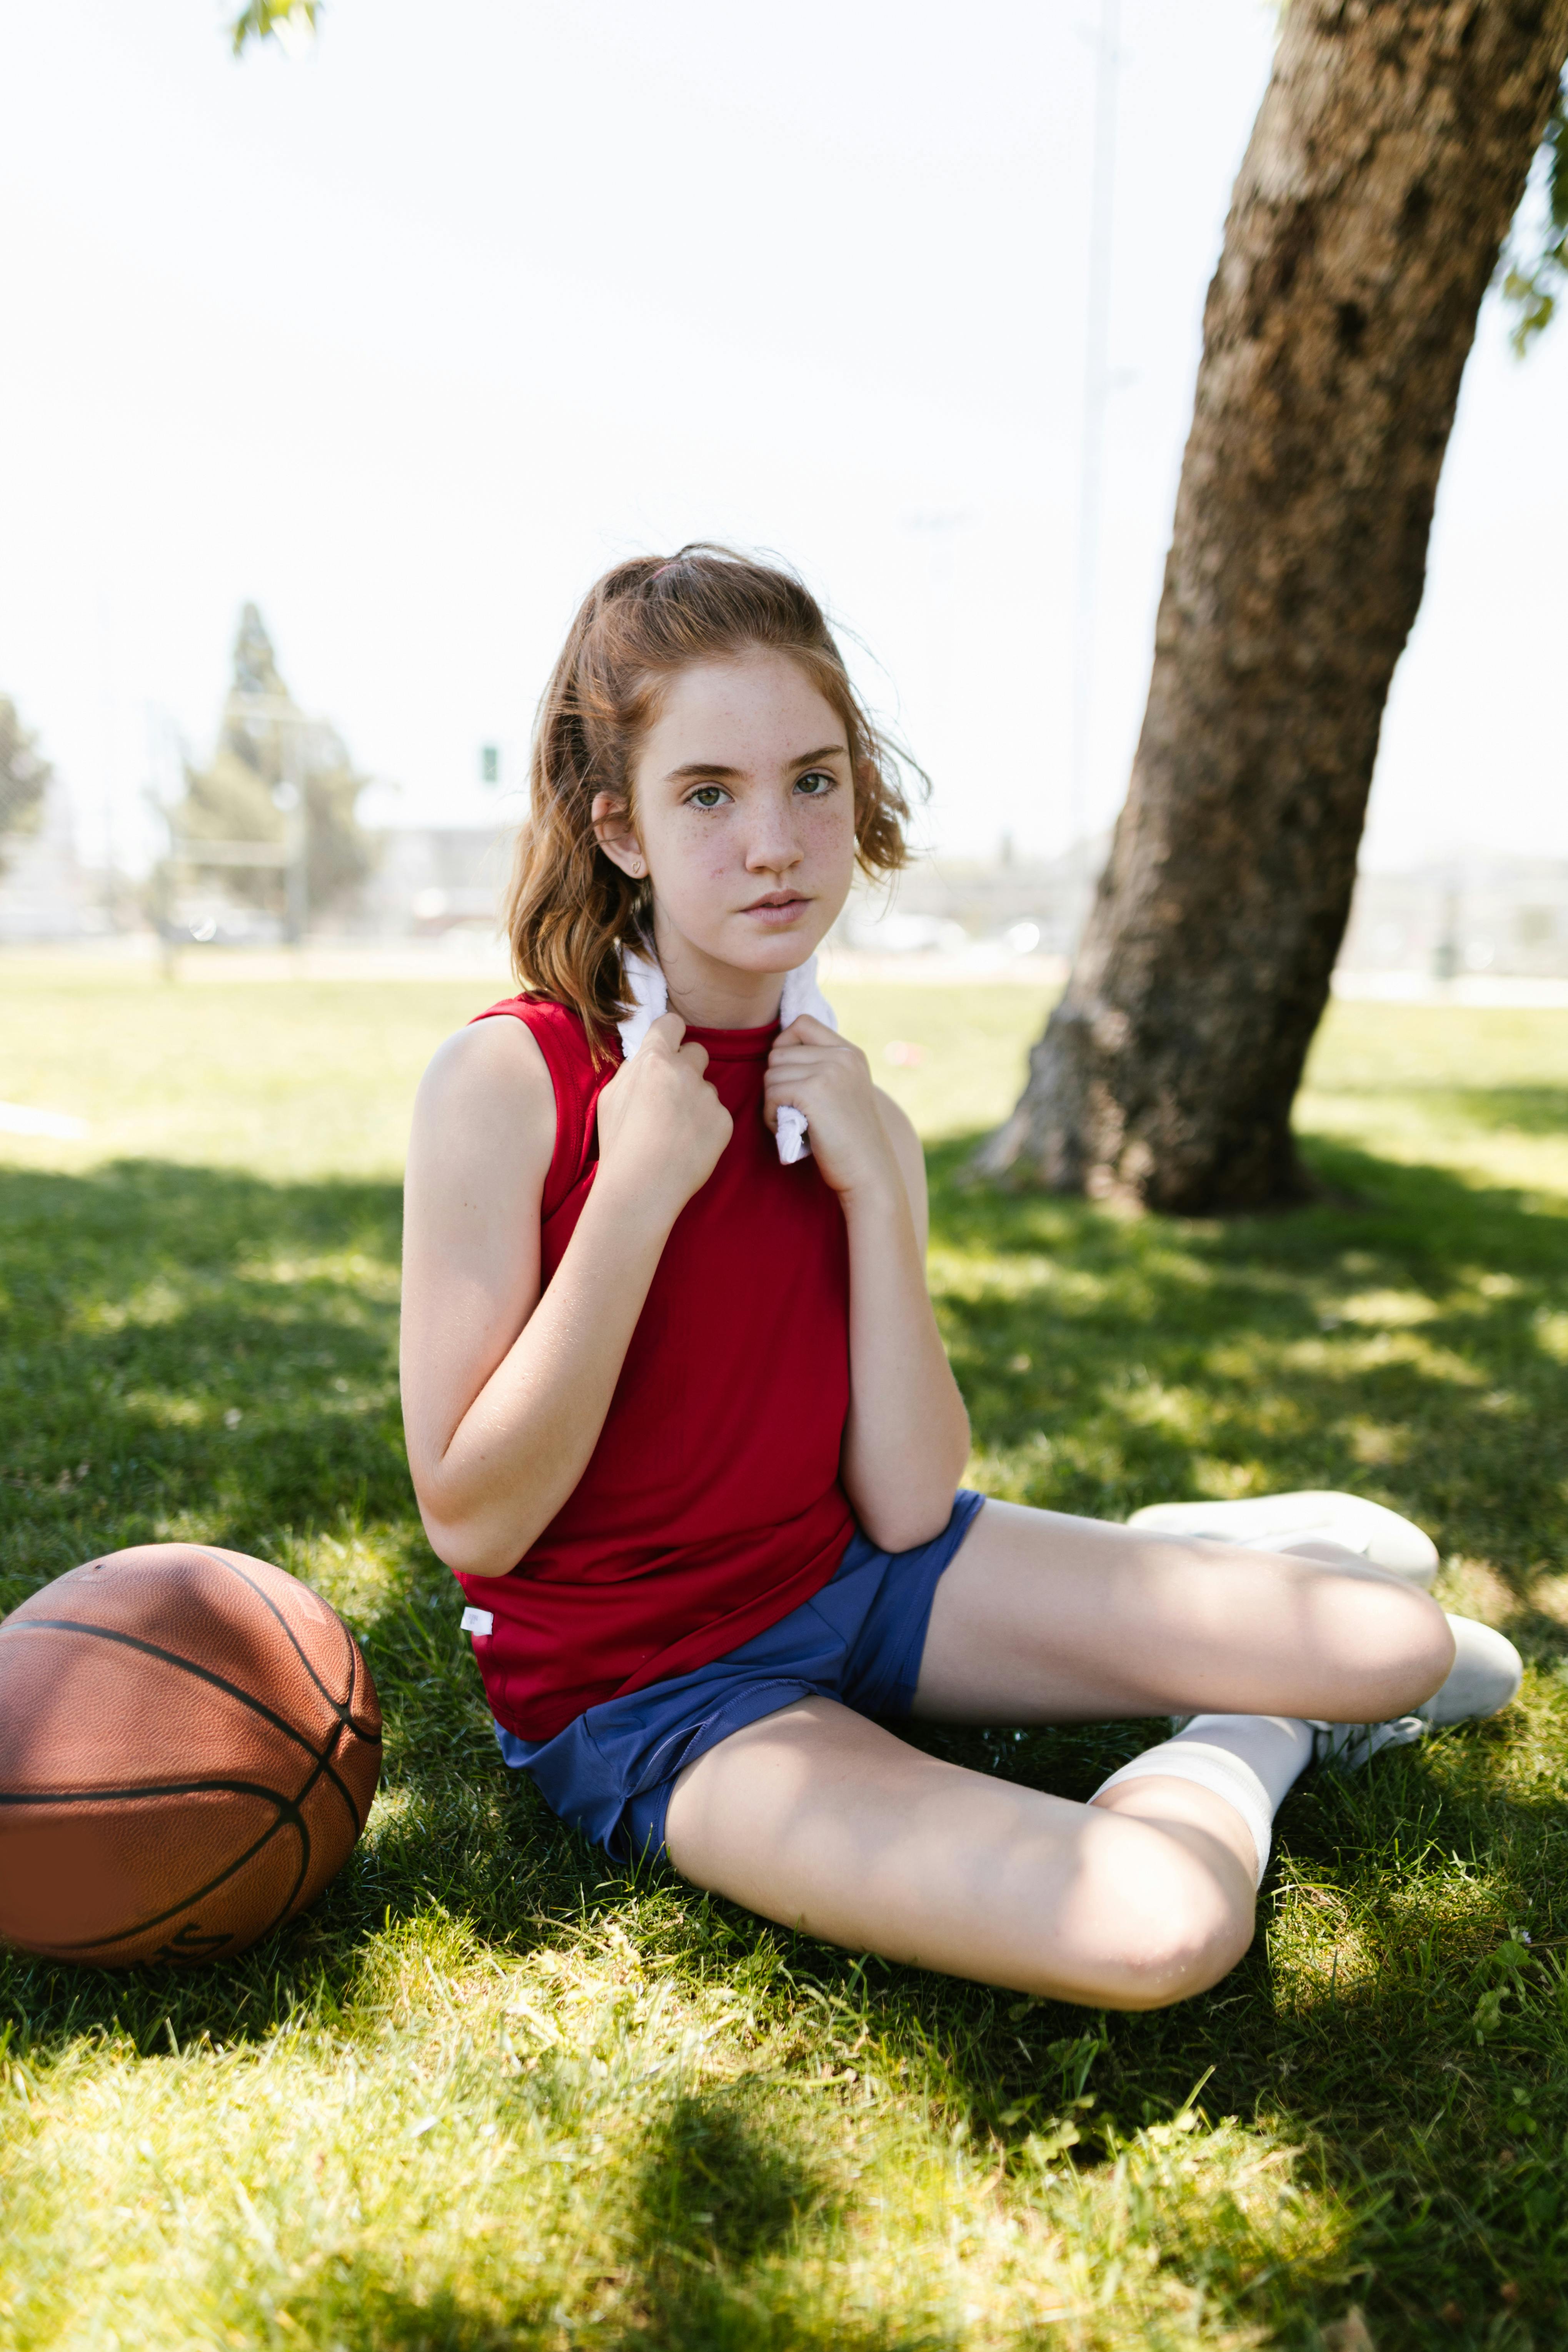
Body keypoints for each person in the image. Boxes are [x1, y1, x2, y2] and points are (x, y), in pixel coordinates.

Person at [400, 546, 1520, 2011]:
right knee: (1160, 1926)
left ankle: (1207, 1585)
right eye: (706, 794)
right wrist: (634, 1193)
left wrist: (877, 1184)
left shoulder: (850, 1099)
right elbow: (473, 1519)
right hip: (661, 1693)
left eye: (812, 780)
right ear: (617, 827)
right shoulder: (512, 1078)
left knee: (1398, 1648)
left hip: (867, 1578)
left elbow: (913, 1504)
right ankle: (1250, 1728)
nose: (775, 843)